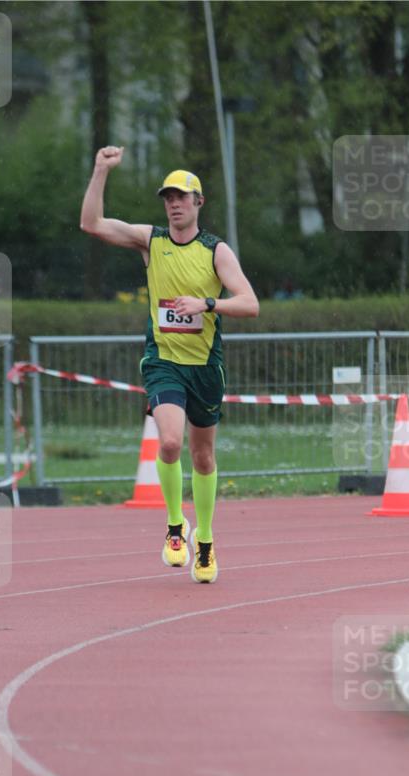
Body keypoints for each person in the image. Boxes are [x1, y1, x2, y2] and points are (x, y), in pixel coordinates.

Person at [81, 147, 259, 583]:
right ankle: (176, 527)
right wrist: (101, 170)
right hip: (163, 361)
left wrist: (207, 303)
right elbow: (92, 224)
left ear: (199, 202)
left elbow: (250, 303)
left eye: (182, 196)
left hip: (204, 366)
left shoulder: (216, 251)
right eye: (168, 197)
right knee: (170, 443)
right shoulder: (151, 240)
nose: (174, 203)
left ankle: (207, 539)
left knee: (203, 457)